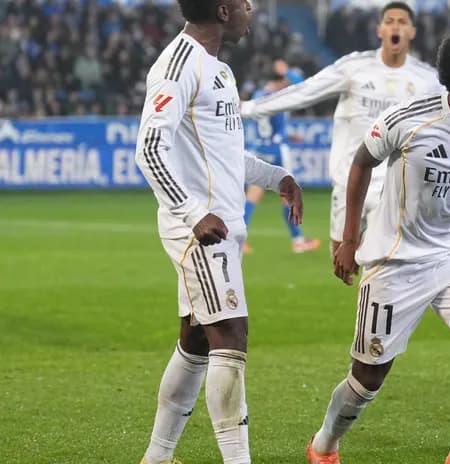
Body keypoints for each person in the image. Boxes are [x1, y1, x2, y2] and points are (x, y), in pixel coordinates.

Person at [306, 29, 450, 464]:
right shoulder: (410, 119)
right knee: (368, 377)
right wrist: (349, 239)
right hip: (394, 261)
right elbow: (361, 163)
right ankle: (324, 446)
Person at [134, 1, 305, 463]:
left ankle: (157, 457)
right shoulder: (177, 65)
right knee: (230, 335)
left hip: (223, 226)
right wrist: (192, 213)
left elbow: (227, 154)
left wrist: (277, 177)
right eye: (244, 1)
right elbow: (149, 150)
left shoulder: (220, 70)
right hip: (200, 232)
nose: (251, 7)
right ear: (224, 11)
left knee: (195, 343)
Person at [240, 1, 445, 255]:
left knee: (388, 263)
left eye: (402, 22)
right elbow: (306, 91)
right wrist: (246, 108)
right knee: (342, 261)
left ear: (412, 31)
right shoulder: (354, 68)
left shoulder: (427, 80)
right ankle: (301, 241)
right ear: (379, 29)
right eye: (389, 21)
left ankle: (300, 241)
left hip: (396, 187)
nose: (395, 27)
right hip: (350, 183)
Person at [243, 58, 321, 254]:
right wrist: (287, 71)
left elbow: (269, 125)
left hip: (261, 149)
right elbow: (304, 85)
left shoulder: (259, 95)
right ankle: (298, 240)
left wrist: (288, 135)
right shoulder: (278, 96)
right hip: (278, 151)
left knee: (252, 197)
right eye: (285, 80)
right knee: (289, 195)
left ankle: (238, 239)